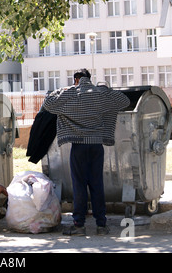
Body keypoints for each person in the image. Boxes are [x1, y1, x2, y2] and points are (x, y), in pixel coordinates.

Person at [43, 69, 130, 236]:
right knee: (97, 184)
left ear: (76, 80)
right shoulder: (100, 93)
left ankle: (79, 225)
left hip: (79, 147)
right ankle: (101, 225)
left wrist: (62, 90)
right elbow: (124, 101)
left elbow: (48, 103)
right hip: (97, 146)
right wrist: (106, 89)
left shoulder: (70, 94)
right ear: (89, 79)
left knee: (79, 185)